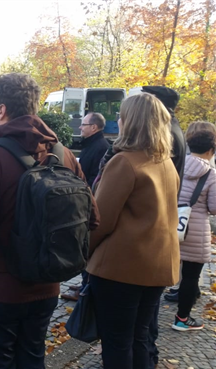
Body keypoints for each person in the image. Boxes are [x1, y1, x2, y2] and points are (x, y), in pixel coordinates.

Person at [0, 73, 99, 368]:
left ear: (2, 110)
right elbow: (93, 217)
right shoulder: (64, 155)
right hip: (46, 286)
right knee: (33, 358)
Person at [88, 92, 179, 369]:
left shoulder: (124, 162)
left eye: (121, 115)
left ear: (131, 121)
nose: (118, 119)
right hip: (158, 266)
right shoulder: (165, 162)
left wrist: (85, 253)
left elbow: (100, 221)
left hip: (121, 269)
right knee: (140, 337)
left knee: (116, 342)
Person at [140, 85, 186, 369]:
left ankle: (148, 357)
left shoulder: (166, 135)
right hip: (158, 231)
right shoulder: (173, 131)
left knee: (145, 320)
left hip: (149, 232)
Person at [170, 127, 216, 332]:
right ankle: (182, 318)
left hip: (170, 225)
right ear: (211, 150)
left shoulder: (176, 164)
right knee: (190, 276)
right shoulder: (211, 174)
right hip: (195, 230)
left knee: (164, 268)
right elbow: (214, 208)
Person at [61, 112, 110, 301]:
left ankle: (85, 287)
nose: (80, 127)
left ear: (94, 127)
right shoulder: (93, 145)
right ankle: (83, 283)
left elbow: (95, 178)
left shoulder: (100, 147)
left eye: (84, 124)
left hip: (88, 201)